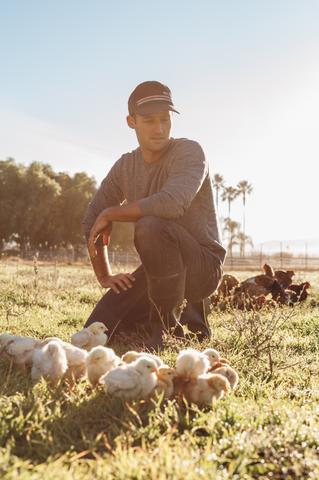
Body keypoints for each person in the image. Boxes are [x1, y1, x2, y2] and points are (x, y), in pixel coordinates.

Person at [83, 80, 226, 349]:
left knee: (150, 226)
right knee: (97, 329)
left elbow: (171, 204)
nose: (159, 129)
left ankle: (167, 333)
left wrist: (112, 213)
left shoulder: (190, 152)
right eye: (149, 120)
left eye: (165, 119)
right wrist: (104, 275)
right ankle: (158, 321)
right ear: (131, 121)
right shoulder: (125, 166)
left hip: (202, 267)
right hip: (159, 268)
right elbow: (92, 221)